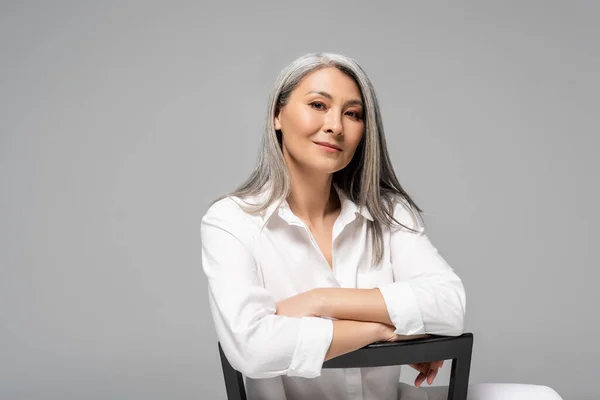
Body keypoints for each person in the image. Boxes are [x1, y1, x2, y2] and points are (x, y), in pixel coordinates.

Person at [200, 53, 563, 400]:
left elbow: (449, 305)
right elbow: (253, 347)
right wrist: (386, 331)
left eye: (353, 113)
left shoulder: (388, 212)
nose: (335, 125)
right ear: (277, 115)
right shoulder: (232, 220)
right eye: (317, 105)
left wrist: (319, 300)